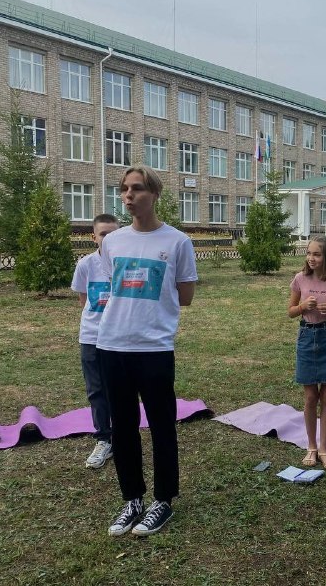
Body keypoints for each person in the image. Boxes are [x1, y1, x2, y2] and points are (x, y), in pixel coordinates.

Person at [97, 165, 198, 537]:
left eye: (137, 188)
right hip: (111, 345)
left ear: (154, 194)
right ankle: (132, 499)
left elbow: (185, 296)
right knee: (122, 427)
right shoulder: (113, 241)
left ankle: (163, 500)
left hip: (154, 347)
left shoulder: (177, 242)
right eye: (124, 189)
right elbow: (111, 287)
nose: (129, 195)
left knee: (161, 425)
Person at [287, 236, 326, 470]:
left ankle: (324, 449)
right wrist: (303, 307)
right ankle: (311, 447)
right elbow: (291, 311)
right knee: (310, 398)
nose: (311, 258)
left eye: (316, 254)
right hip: (307, 337)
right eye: (308, 253)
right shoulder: (300, 278)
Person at [71, 213, 119, 469]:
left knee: (120, 389)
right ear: (94, 237)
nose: (108, 239)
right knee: (96, 390)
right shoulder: (86, 265)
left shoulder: (125, 265)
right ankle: (103, 439)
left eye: (114, 234)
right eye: (103, 234)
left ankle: (123, 437)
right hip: (91, 337)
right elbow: (84, 300)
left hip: (120, 338)